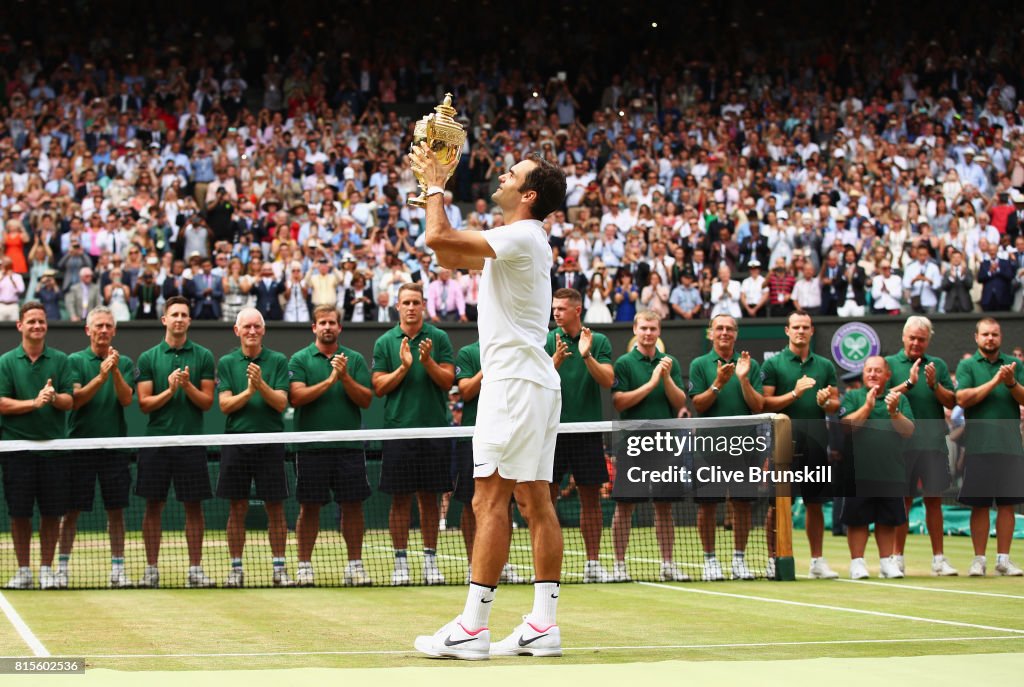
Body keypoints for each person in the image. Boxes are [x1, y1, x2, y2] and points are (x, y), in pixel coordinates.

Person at [409, 147, 566, 660]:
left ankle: (473, 628)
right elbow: (449, 255)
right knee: (535, 501)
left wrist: (435, 185)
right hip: (536, 384)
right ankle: (543, 625)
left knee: (487, 500)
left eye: (512, 174)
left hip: (514, 385)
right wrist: (431, 200)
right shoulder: (526, 240)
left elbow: (437, 238)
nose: (501, 174)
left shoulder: (521, 235)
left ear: (529, 195)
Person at [372, 283, 455, 587]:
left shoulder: (439, 338)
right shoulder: (385, 342)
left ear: (423, 306)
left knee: (430, 499)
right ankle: (400, 563)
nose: (410, 307)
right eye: (405, 302)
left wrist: (427, 361)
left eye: (415, 302)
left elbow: (447, 381)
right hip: (399, 431)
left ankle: (431, 561)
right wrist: (404, 367)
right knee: (400, 500)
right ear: (398, 307)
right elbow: (379, 387)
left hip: (433, 429)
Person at [135, 295, 217, 588]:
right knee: (152, 506)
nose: (180, 319)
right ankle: (151, 569)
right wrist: (170, 390)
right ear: (165, 320)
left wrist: (186, 386)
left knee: (193, 507)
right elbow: (144, 404)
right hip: (156, 443)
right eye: (175, 314)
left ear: (189, 321)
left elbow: (207, 402)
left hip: (190, 443)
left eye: (184, 314)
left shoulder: (204, 356)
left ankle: (195, 569)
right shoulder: (147, 358)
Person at [290, 305, 374, 587]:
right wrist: (330, 380)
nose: (327, 327)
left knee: (352, 507)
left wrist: (345, 376)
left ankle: (354, 566)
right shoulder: (300, 359)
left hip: (349, 447)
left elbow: (365, 399)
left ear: (340, 327)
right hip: (311, 447)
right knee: (309, 508)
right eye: (322, 322)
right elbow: (297, 397)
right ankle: (304, 567)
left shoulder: (355, 359)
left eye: (332, 323)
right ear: (314, 327)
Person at [216, 308, 294, 587]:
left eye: (256, 326)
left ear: (263, 330)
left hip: (270, 443)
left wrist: (260, 384)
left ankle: (279, 569)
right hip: (236, 443)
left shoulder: (277, 361)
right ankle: (236, 569)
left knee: (276, 508)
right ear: (236, 331)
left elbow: (281, 403)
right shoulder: (226, 363)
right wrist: (249, 391)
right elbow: (225, 405)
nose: (252, 331)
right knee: (237, 508)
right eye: (246, 326)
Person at [609, 311, 689, 582]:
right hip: (632, 442)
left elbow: (680, 403)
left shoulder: (671, 363)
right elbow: (619, 402)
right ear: (635, 329)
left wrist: (665, 378)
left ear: (659, 331)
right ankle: (619, 566)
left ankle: (667, 564)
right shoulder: (624, 363)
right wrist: (652, 382)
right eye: (643, 328)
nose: (648, 333)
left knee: (665, 506)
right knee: (625, 506)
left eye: (653, 328)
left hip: (665, 443)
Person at [58, 306, 135, 588]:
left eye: (108, 326)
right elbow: (75, 400)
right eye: (98, 325)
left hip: (114, 447)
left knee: (116, 512)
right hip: (81, 447)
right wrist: (101, 376)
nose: (103, 330)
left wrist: (113, 372)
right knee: (71, 511)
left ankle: (118, 570)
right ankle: (62, 568)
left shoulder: (123, 362)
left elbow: (127, 400)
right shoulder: (73, 361)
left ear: (114, 331)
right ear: (88, 330)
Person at [761, 312, 840, 579]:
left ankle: (817, 561)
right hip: (781, 444)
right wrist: (795, 393)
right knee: (778, 504)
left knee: (815, 503)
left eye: (805, 327)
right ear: (787, 330)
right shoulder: (773, 364)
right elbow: (764, 404)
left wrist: (824, 402)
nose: (801, 331)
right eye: (796, 327)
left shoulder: (825, 366)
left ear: (812, 331)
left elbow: (835, 404)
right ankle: (773, 559)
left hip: (816, 443)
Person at [0, 301, 73, 589]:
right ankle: (23, 571)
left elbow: (70, 401)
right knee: (19, 514)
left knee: (52, 514)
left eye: (41, 321)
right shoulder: (6, 362)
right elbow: (2, 403)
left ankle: (45, 569)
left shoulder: (60, 360)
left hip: (53, 450)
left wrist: (53, 398)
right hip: (16, 450)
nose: (37, 326)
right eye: (31, 321)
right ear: (20, 325)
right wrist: (34, 402)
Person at [546, 288, 615, 582]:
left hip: (586, 431)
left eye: (561, 308)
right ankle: (547, 564)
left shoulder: (597, 340)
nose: (556, 313)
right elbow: (534, 380)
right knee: (545, 500)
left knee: (590, 498)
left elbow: (608, 380)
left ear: (577, 310)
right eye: (554, 308)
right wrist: (556, 360)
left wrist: (587, 356)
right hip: (551, 430)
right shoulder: (546, 338)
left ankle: (592, 563)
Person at [689, 314, 764, 581]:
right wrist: (718, 383)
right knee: (708, 506)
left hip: (745, 446)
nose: (724, 332)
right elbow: (698, 405)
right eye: (719, 328)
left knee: (743, 505)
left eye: (729, 329)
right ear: (711, 333)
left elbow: (758, 406)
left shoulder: (750, 365)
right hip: (708, 446)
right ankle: (710, 561)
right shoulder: (700, 364)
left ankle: (739, 561)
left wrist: (743, 379)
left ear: (736, 333)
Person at [884, 316, 959, 575]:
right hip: (900, 446)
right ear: (903, 337)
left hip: (933, 444)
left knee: (934, 501)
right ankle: (896, 558)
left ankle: (939, 559)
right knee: (902, 502)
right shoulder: (890, 364)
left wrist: (933, 385)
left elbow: (951, 402)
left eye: (922, 339)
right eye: (912, 338)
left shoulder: (936, 365)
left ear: (928, 341)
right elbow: (881, 397)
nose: (916, 343)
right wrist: (909, 384)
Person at [954, 318, 1024, 576]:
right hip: (979, 446)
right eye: (985, 334)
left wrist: (1011, 382)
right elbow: (962, 398)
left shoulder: (1015, 365)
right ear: (976, 337)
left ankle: (1003, 560)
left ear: (1001, 337)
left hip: (1010, 446)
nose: (990, 338)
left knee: (1008, 505)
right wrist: (995, 381)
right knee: (979, 504)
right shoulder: (967, 364)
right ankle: (979, 560)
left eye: (994, 334)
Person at [453, 340, 525, 585]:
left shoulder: (514, 348)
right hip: (474, 435)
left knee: (506, 503)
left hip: (509, 432)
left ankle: (502, 563)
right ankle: (474, 565)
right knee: (470, 502)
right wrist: (491, 366)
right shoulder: (468, 352)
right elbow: (466, 390)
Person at [838, 356, 914, 579]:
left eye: (878, 371)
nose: (872, 374)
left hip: (890, 472)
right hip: (857, 473)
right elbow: (845, 427)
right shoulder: (852, 396)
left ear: (887, 375)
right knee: (857, 520)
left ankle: (886, 563)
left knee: (887, 520)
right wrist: (867, 407)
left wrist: (894, 412)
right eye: (869, 370)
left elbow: (908, 430)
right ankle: (857, 563)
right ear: (863, 374)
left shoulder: (898, 399)